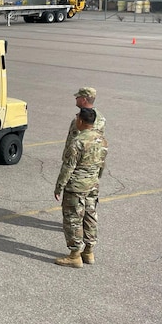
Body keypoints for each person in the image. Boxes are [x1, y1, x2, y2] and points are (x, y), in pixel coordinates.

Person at [54, 108, 108, 268]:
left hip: (76, 186)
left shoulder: (78, 142)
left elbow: (68, 167)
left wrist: (59, 187)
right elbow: (102, 164)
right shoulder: (102, 140)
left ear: (81, 122)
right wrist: (96, 179)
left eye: (77, 117)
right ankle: (89, 251)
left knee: (73, 219)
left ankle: (75, 255)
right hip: (92, 185)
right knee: (90, 215)